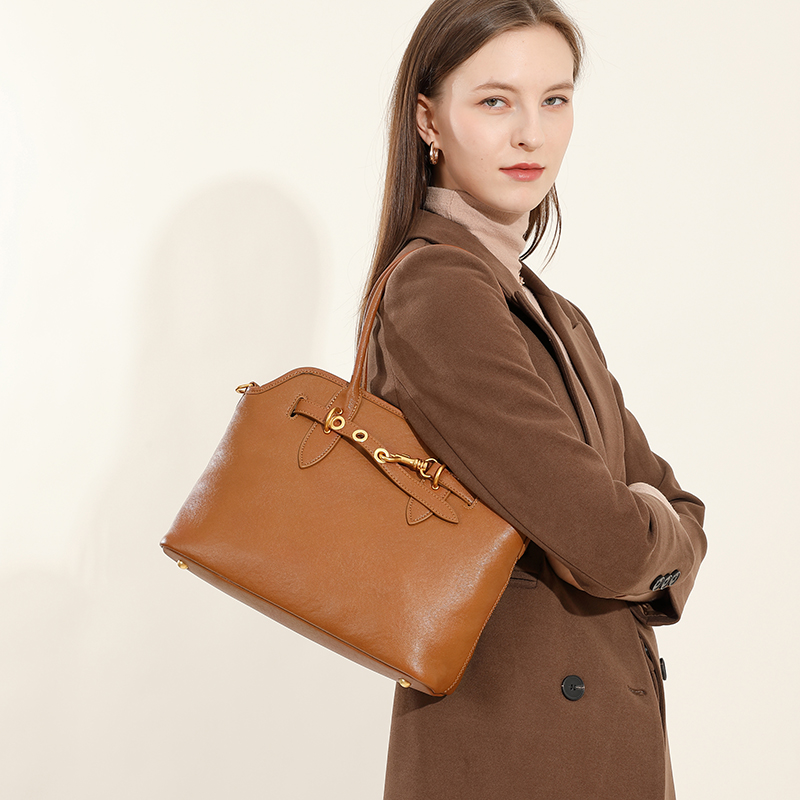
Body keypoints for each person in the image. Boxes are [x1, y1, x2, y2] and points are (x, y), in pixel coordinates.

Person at [361, 1, 708, 798]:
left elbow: (679, 503)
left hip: (575, 750)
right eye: (495, 101)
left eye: (555, 98)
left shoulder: (547, 309)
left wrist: (643, 522)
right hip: (516, 756)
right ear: (429, 120)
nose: (532, 133)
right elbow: (615, 542)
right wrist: (647, 531)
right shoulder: (438, 290)